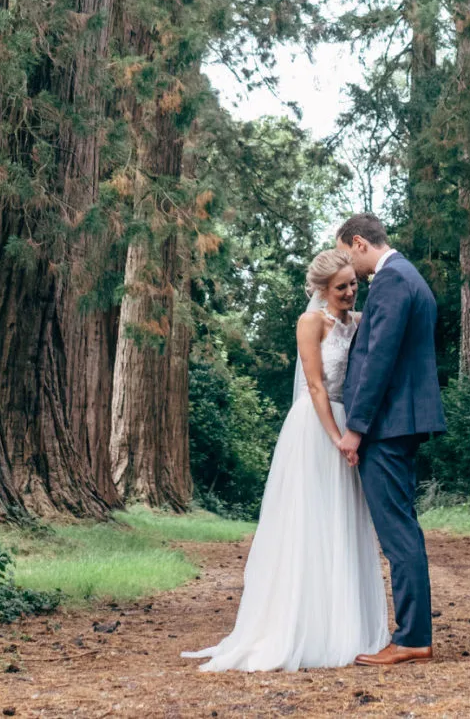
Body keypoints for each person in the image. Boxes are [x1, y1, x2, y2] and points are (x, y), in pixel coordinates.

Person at [182, 247, 390, 671]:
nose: (351, 292)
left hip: (350, 425)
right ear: (320, 289)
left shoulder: (359, 322)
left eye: (353, 284)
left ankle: (343, 624)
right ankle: (299, 624)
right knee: (307, 520)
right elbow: (315, 386)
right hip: (316, 428)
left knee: (344, 521)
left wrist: (355, 432)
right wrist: (337, 437)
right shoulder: (310, 323)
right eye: (341, 287)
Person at [335, 213, 446, 666]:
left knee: (397, 532)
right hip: (401, 420)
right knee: (403, 527)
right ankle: (413, 632)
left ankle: (414, 637)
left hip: (388, 424)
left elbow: (377, 360)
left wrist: (356, 428)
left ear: (359, 242)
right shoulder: (407, 275)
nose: (346, 267)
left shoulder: (393, 280)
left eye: (345, 254)